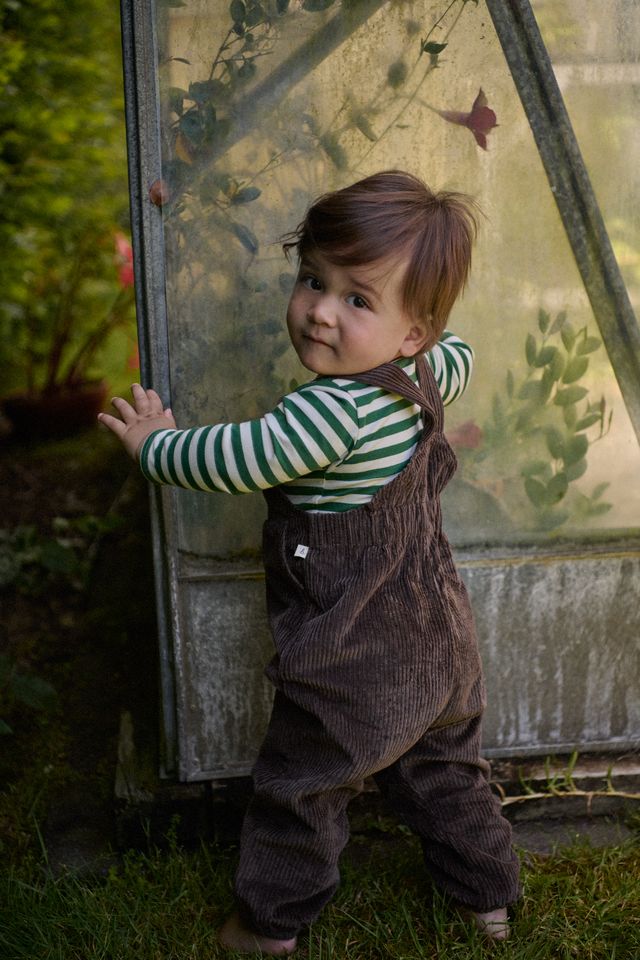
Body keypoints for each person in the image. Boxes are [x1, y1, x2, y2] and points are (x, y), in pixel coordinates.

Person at [98, 170, 520, 954]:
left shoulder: (327, 412)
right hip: (440, 636)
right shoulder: (431, 372)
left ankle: (268, 926)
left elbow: (234, 458)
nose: (321, 310)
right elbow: (459, 347)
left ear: (408, 331)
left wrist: (152, 444)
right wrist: (418, 334)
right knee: (447, 773)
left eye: (357, 299)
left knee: (303, 787)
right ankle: (486, 901)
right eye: (311, 281)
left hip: (352, 656)